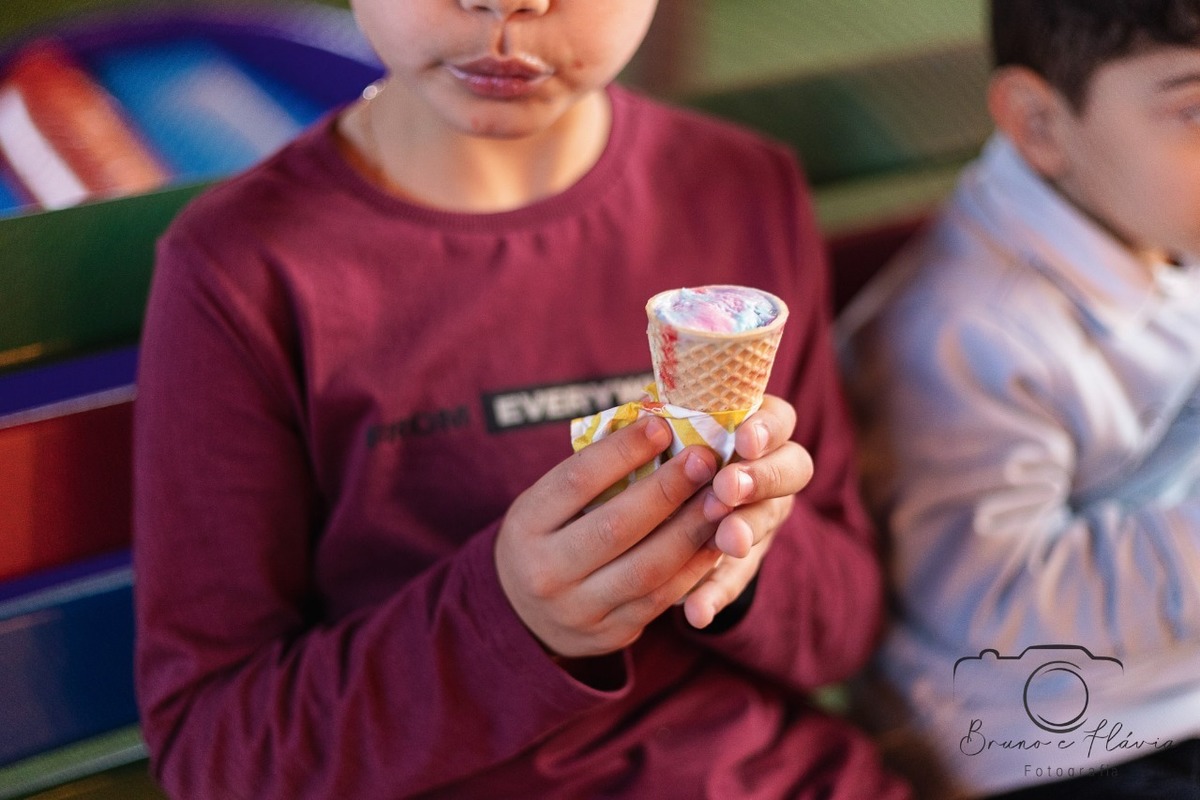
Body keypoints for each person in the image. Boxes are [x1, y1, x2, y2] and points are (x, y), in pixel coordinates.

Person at [132, 1, 908, 797]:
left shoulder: (740, 189)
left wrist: (750, 546)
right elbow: (212, 749)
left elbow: (843, 629)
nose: (507, 4)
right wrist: (509, 623)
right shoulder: (242, 269)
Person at [838, 1, 1200, 797]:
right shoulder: (965, 333)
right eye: (1195, 110)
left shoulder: (1159, 218)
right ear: (1039, 123)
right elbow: (996, 608)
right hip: (1048, 742)